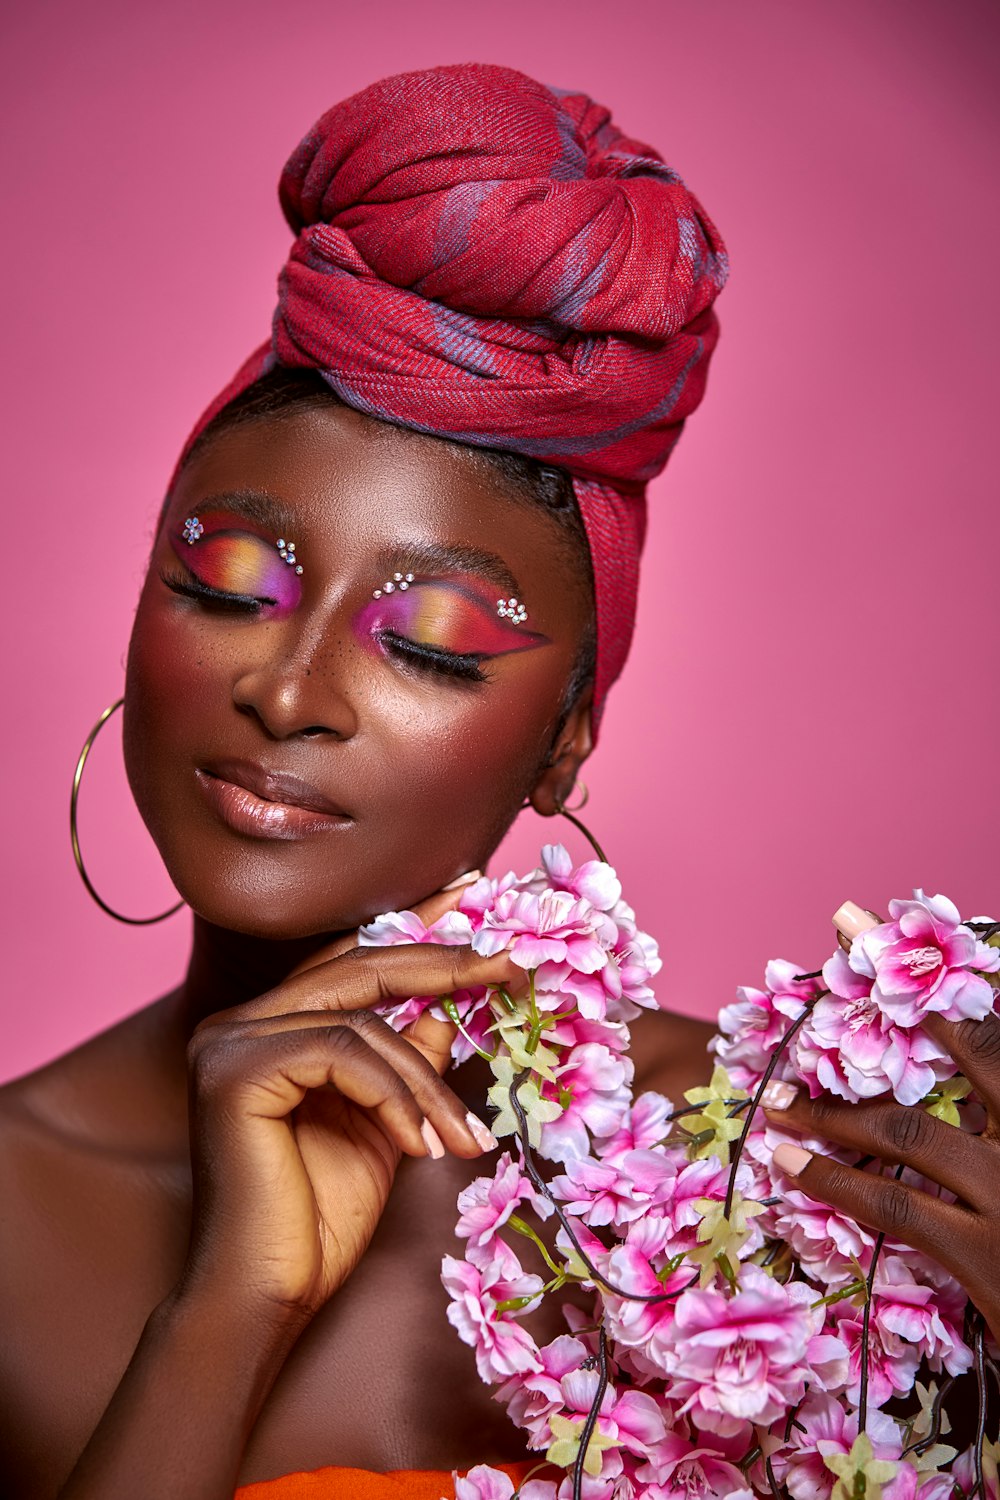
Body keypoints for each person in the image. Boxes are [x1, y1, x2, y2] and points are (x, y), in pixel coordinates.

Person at [3, 60, 999, 1500]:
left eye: (434, 642)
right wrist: (226, 1317)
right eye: (227, 585)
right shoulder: (15, 1208)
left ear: (565, 740)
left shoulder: (812, 1184)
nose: (285, 690)